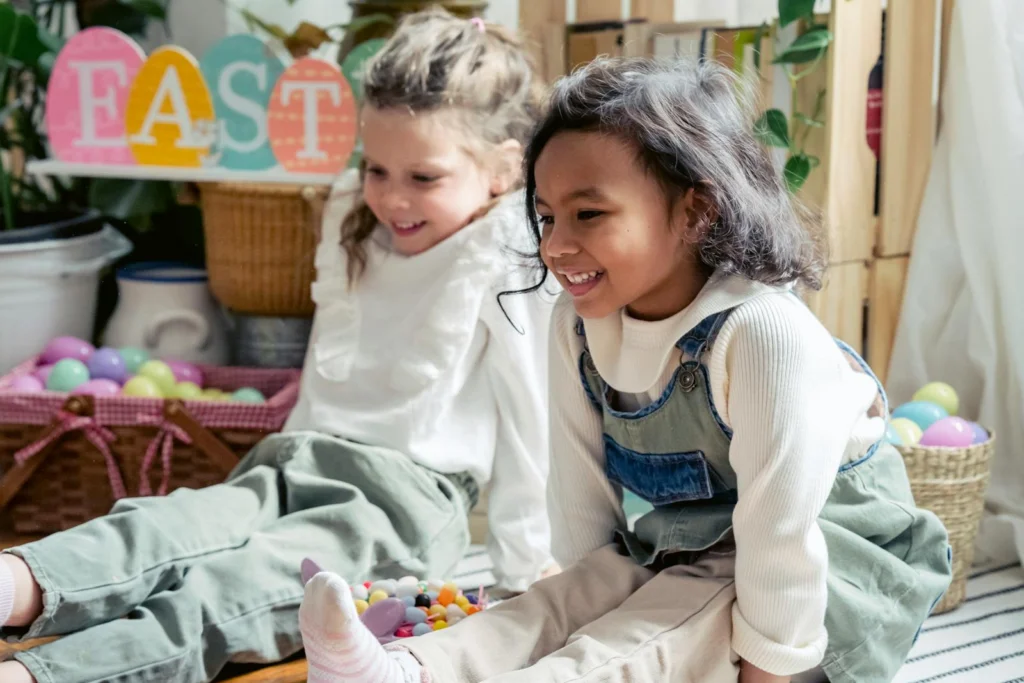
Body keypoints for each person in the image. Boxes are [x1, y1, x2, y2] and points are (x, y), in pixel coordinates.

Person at [294, 56, 954, 683]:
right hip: (691, 546)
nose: (554, 245)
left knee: (657, 628)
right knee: (573, 596)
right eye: (547, 216)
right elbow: (581, 501)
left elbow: (781, 544)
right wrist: (589, 595)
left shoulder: (762, 334)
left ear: (696, 210)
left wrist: (767, 673)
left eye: (589, 214)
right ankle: (409, 670)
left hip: (825, 576)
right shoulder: (579, 321)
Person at [0, 9, 556, 683]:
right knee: (161, 525)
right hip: (293, 461)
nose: (392, 197)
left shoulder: (507, 254)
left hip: (398, 506)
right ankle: (11, 583)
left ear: (502, 171)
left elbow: (532, 418)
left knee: (231, 588)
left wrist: (526, 570)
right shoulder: (355, 216)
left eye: (423, 177)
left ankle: (32, 677)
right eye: (377, 168)